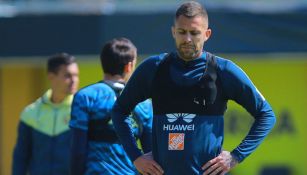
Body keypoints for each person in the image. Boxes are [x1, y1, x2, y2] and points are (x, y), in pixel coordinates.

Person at [111, 1, 276, 175]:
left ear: (207, 34)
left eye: (194, 33)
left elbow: (266, 115)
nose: (187, 39)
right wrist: (136, 157)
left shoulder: (223, 71)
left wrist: (235, 156)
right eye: (182, 32)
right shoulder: (154, 68)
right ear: (173, 32)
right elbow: (119, 111)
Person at [69, 37, 153, 175]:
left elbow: (78, 150)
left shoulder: (85, 96)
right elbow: (150, 152)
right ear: (129, 66)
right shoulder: (144, 103)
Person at [12, 53, 80, 175]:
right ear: (51, 77)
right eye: (68, 75)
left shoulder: (83, 111)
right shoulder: (30, 113)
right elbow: (20, 158)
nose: (74, 80)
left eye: (76, 75)